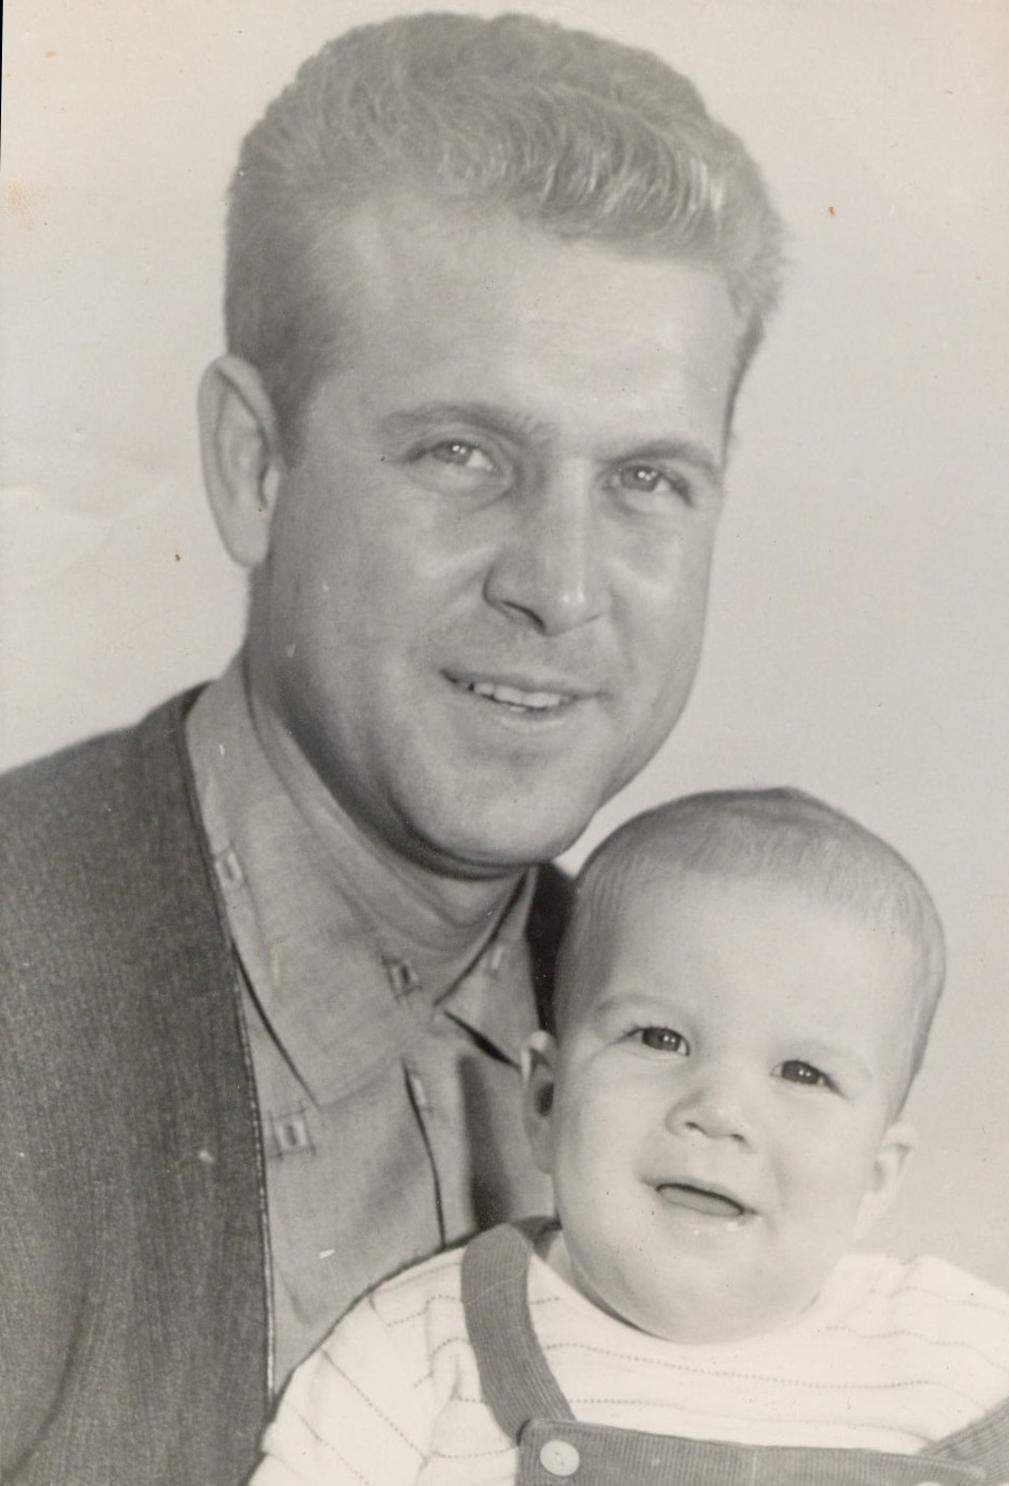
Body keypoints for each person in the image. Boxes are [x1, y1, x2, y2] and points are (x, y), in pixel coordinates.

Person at [0, 12, 786, 1485]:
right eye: (461, 454)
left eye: (646, 480)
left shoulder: (705, 1050)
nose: (558, 583)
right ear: (254, 466)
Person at [250, 789, 1009, 1485]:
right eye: (660, 1040)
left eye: (803, 1073)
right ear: (547, 1102)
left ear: (875, 1177)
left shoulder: (959, 1359)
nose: (719, 1110)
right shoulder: (430, 1347)